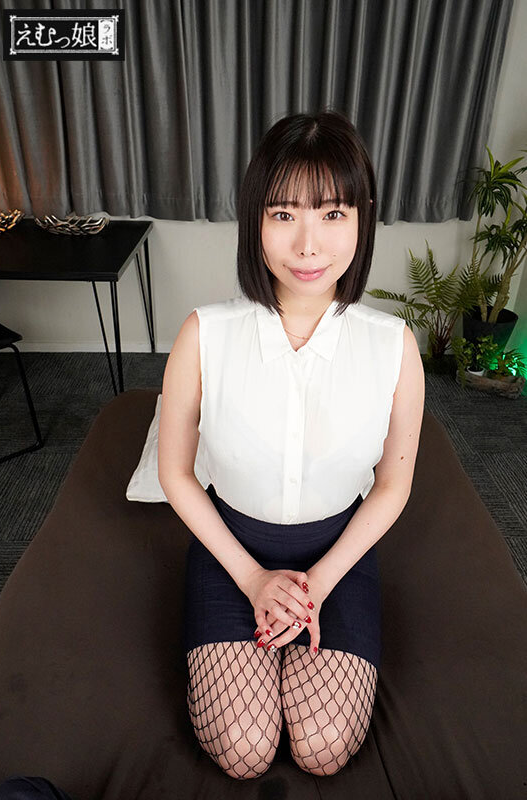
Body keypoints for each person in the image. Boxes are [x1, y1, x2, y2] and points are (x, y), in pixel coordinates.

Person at [158, 109, 425, 780]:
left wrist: (318, 584)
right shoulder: (203, 334)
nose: (308, 245)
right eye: (283, 214)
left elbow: (392, 486)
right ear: (255, 220)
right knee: (244, 751)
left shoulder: (394, 346)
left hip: (338, 555)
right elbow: (176, 474)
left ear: (363, 219)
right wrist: (252, 578)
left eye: (332, 214)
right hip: (231, 552)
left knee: (323, 748)